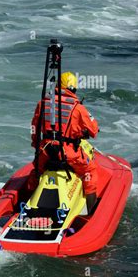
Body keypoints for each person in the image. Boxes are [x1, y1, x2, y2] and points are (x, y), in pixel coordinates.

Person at [28, 72, 99, 209]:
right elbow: (94, 131)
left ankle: (27, 200)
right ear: (74, 88)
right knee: (89, 172)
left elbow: (34, 127)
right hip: (68, 154)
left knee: (36, 171)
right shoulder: (79, 108)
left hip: (45, 152)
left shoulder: (42, 103)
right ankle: (91, 210)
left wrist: (35, 143)